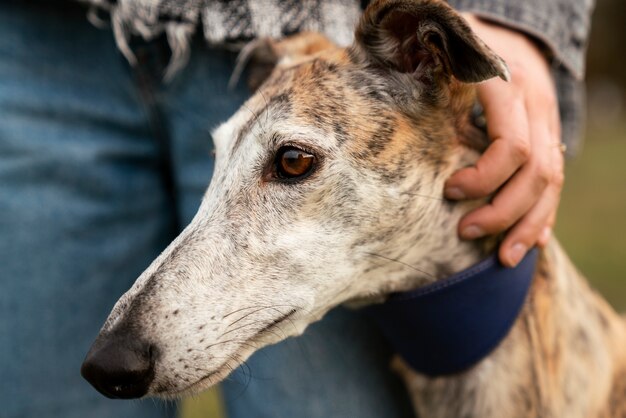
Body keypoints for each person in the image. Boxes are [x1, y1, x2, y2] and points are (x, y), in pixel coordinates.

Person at [0, 0, 593, 417]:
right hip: (39, 47)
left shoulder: (407, 70)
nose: (289, 166)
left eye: (292, 164)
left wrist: (520, 13)